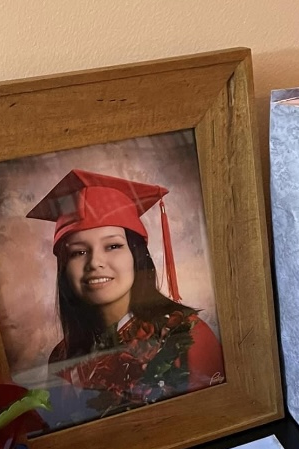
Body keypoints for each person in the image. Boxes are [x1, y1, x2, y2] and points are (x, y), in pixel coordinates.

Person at [26, 169, 224, 416]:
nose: (95, 263)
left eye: (113, 246)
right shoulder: (62, 356)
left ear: (136, 256)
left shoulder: (187, 335)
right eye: (78, 252)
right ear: (64, 269)